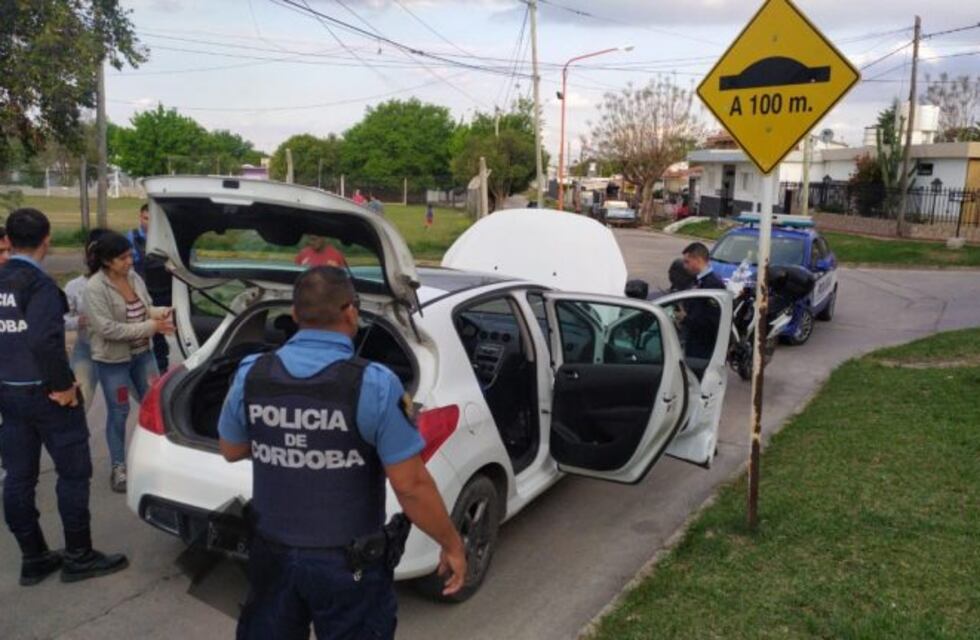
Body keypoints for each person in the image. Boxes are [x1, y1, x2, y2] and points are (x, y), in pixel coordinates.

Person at [217, 267, 466, 639]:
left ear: (296, 315)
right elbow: (410, 485)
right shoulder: (376, 384)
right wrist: (451, 543)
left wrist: (292, 440)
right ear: (351, 312)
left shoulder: (252, 372)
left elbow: (231, 448)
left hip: (272, 555)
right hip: (347, 567)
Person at [0, 208, 128, 586]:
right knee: (74, 474)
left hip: (8, 395)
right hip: (47, 395)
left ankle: (34, 557)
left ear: (7, 239)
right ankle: (78, 556)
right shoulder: (39, 287)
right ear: (47, 239)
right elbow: (44, 341)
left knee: (18, 478)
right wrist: (63, 388)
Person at [84, 231, 175, 493]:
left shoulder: (134, 278)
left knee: (155, 404)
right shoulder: (95, 287)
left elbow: (145, 308)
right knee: (119, 412)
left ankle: (157, 458)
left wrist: (163, 314)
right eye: (122, 258)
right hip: (113, 361)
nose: (130, 261)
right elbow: (107, 329)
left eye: (129, 255)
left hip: (142, 355)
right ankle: (119, 467)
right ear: (106, 261)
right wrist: (151, 327)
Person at [64, 229, 109, 409]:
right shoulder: (74, 286)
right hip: (86, 350)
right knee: (79, 402)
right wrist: (79, 321)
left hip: (120, 352)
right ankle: (76, 436)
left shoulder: (128, 282)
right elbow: (61, 319)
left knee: (125, 406)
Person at [127, 203, 172, 373]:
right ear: (140, 217)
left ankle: (163, 369)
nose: (149, 223)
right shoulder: (131, 238)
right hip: (142, 293)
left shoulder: (166, 238)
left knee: (162, 334)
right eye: (146, 219)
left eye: (152, 220)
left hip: (165, 292)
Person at [679, 242, 725, 360]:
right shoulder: (697, 281)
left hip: (704, 347)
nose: (684, 266)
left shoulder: (712, 285)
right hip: (694, 341)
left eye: (687, 262)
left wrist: (685, 318)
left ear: (698, 260)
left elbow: (712, 321)